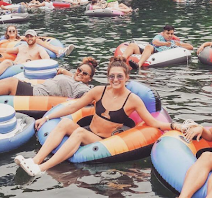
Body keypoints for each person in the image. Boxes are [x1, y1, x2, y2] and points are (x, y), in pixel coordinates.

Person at [13, 56, 181, 177]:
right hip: (90, 131)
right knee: (65, 124)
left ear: (126, 77)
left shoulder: (133, 100)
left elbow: (152, 122)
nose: (115, 79)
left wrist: (175, 126)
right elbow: (73, 106)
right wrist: (46, 118)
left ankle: (42, 168)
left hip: (103, 140)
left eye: (119, 76)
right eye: (112, 76)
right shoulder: (98, 91)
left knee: (78, 133)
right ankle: (35, 160)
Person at [0, 57, 98, 106]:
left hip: (39, 96)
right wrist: (68, 73)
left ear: (89, 78)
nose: (79, 73)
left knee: (11, 83)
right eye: (79, 70)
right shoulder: (72, 77)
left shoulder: (83, 88)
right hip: (37, 89)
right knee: (12, 80)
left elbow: (87, 97)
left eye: (84, 73)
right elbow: (69, 74)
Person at [124, 25, 194, 70]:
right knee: (133, 45)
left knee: (149, 47)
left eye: (171, 34)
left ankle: (138, 65)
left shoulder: (174, 41)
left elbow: (191, 47)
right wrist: (165, 43)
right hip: (153, 50)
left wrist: (180, 45)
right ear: (163, 33)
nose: (170, 35)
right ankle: (120, 60)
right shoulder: (159, 37)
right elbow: (155, 42)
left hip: (159, 56)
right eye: (168, 33)